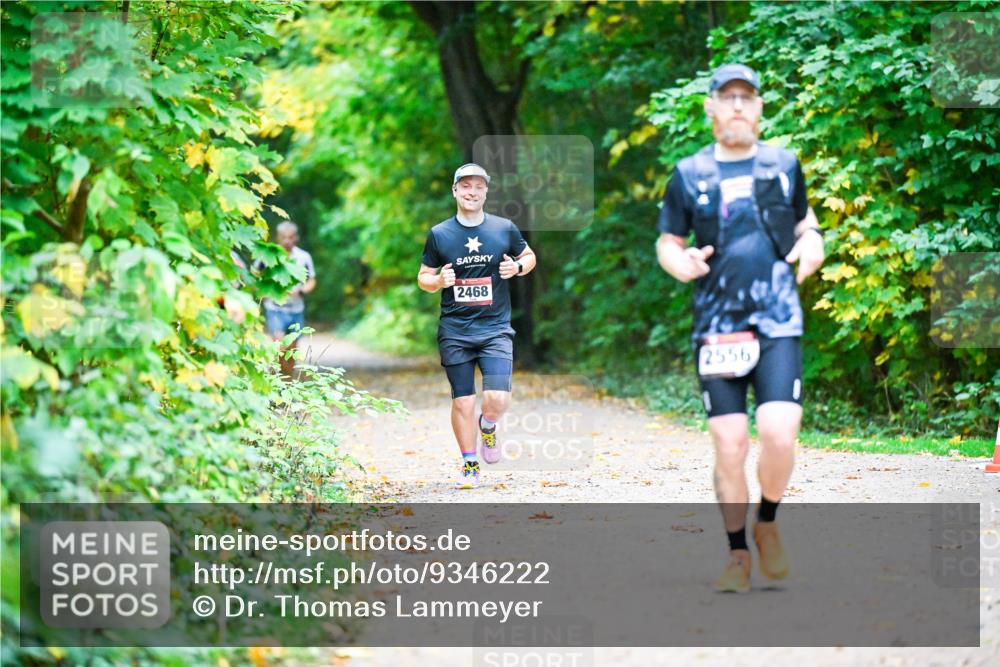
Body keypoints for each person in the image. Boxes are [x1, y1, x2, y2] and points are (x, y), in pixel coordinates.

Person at [655, 64, 825, 592]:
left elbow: (805, 221)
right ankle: (736, 555)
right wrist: (677, 261)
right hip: (717, 327)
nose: (736, 106)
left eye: (745, 97)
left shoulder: (782, 165)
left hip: (777, 319)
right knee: (729, 444)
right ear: (709, 107)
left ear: (759, 107)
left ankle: (767, 521)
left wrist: (814, 241)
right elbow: (667, 240)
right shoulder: (689, 173)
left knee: (778, 434)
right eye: (726, 97)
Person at [417, 163, 537, 489]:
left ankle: (489, 425)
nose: (472, 192)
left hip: (495, 328)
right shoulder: (440, 234)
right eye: (466, 186)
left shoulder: (503, 228)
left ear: (486, 192)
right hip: (455, 330)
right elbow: (423, 277)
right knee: (463, 401)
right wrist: (438, 280)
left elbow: (529, 256)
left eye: (479, 187)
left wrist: (519, 268)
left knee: (497, 397)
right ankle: (470, 463)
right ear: (455, 190)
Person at [261, 222, 316, 377]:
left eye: (290, 237)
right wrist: (266, 290)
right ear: (278, 237)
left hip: (296, 309)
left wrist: (302, 290)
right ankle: (276, 375)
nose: (287, 241)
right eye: (283, 237)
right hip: (275, 308)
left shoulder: (304, 257)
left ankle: (287, 381)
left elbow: (312, 280)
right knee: (280, 343)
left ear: (296, 238)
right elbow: (255, 274)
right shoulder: (268, 254)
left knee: (291, 349)